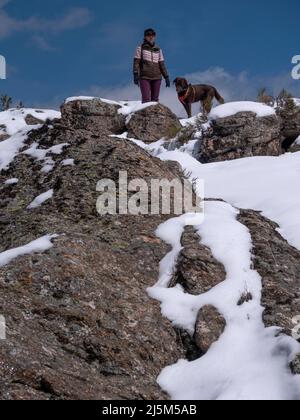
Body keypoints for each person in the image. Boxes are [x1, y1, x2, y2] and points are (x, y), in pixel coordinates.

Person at [133, 28, 170, 103]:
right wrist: (135, 74)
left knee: (155, 101)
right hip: (144, 77)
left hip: (157, 78)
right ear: (145, 37)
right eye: (148, 35)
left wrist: (166, 77)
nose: (151, 37)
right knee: (146, 100)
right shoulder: (140, 48)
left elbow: (162, 64)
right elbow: (136, 62)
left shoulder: (158, 49)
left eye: (153, 35)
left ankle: (154, 115)